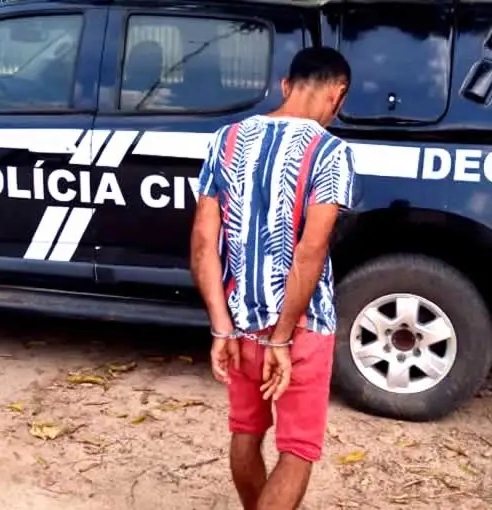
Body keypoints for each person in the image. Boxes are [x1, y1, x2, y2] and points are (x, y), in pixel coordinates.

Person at [189, 47, 356, 510]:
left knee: (246, 433)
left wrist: (221, 328)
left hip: (240, 323)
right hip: (303, 327)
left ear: (285, 86)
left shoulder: (226, 140)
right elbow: (310, 251)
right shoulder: (331, 152)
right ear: (337, 94)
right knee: (297, 450)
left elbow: (203, 244)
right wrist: (282, 338)